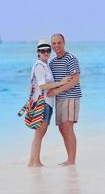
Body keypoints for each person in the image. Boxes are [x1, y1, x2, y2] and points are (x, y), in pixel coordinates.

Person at [28, 39, 71, 167]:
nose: (45, 53)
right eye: (42, 51)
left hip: (47, 103)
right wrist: (61, 83)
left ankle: (33, 161)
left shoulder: (45, 65)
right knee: (40, 133)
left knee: (40, 133)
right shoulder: (39, 66)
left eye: (47, 50)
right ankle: (35, 162)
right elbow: (42, 86)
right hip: (42, 103)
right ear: (38, 52)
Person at [48, 33, 82, 166]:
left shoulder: (71, 58)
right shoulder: (52, 63)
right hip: (59, 99)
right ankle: (69, 158)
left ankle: (71, 160)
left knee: (68, 128)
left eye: (59, 42)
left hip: (71, 97)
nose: (56, 45)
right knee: (62, 129)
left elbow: (75, 80)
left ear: (64, 43)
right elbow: (51, 81)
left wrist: (57, 90)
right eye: (54, 43)